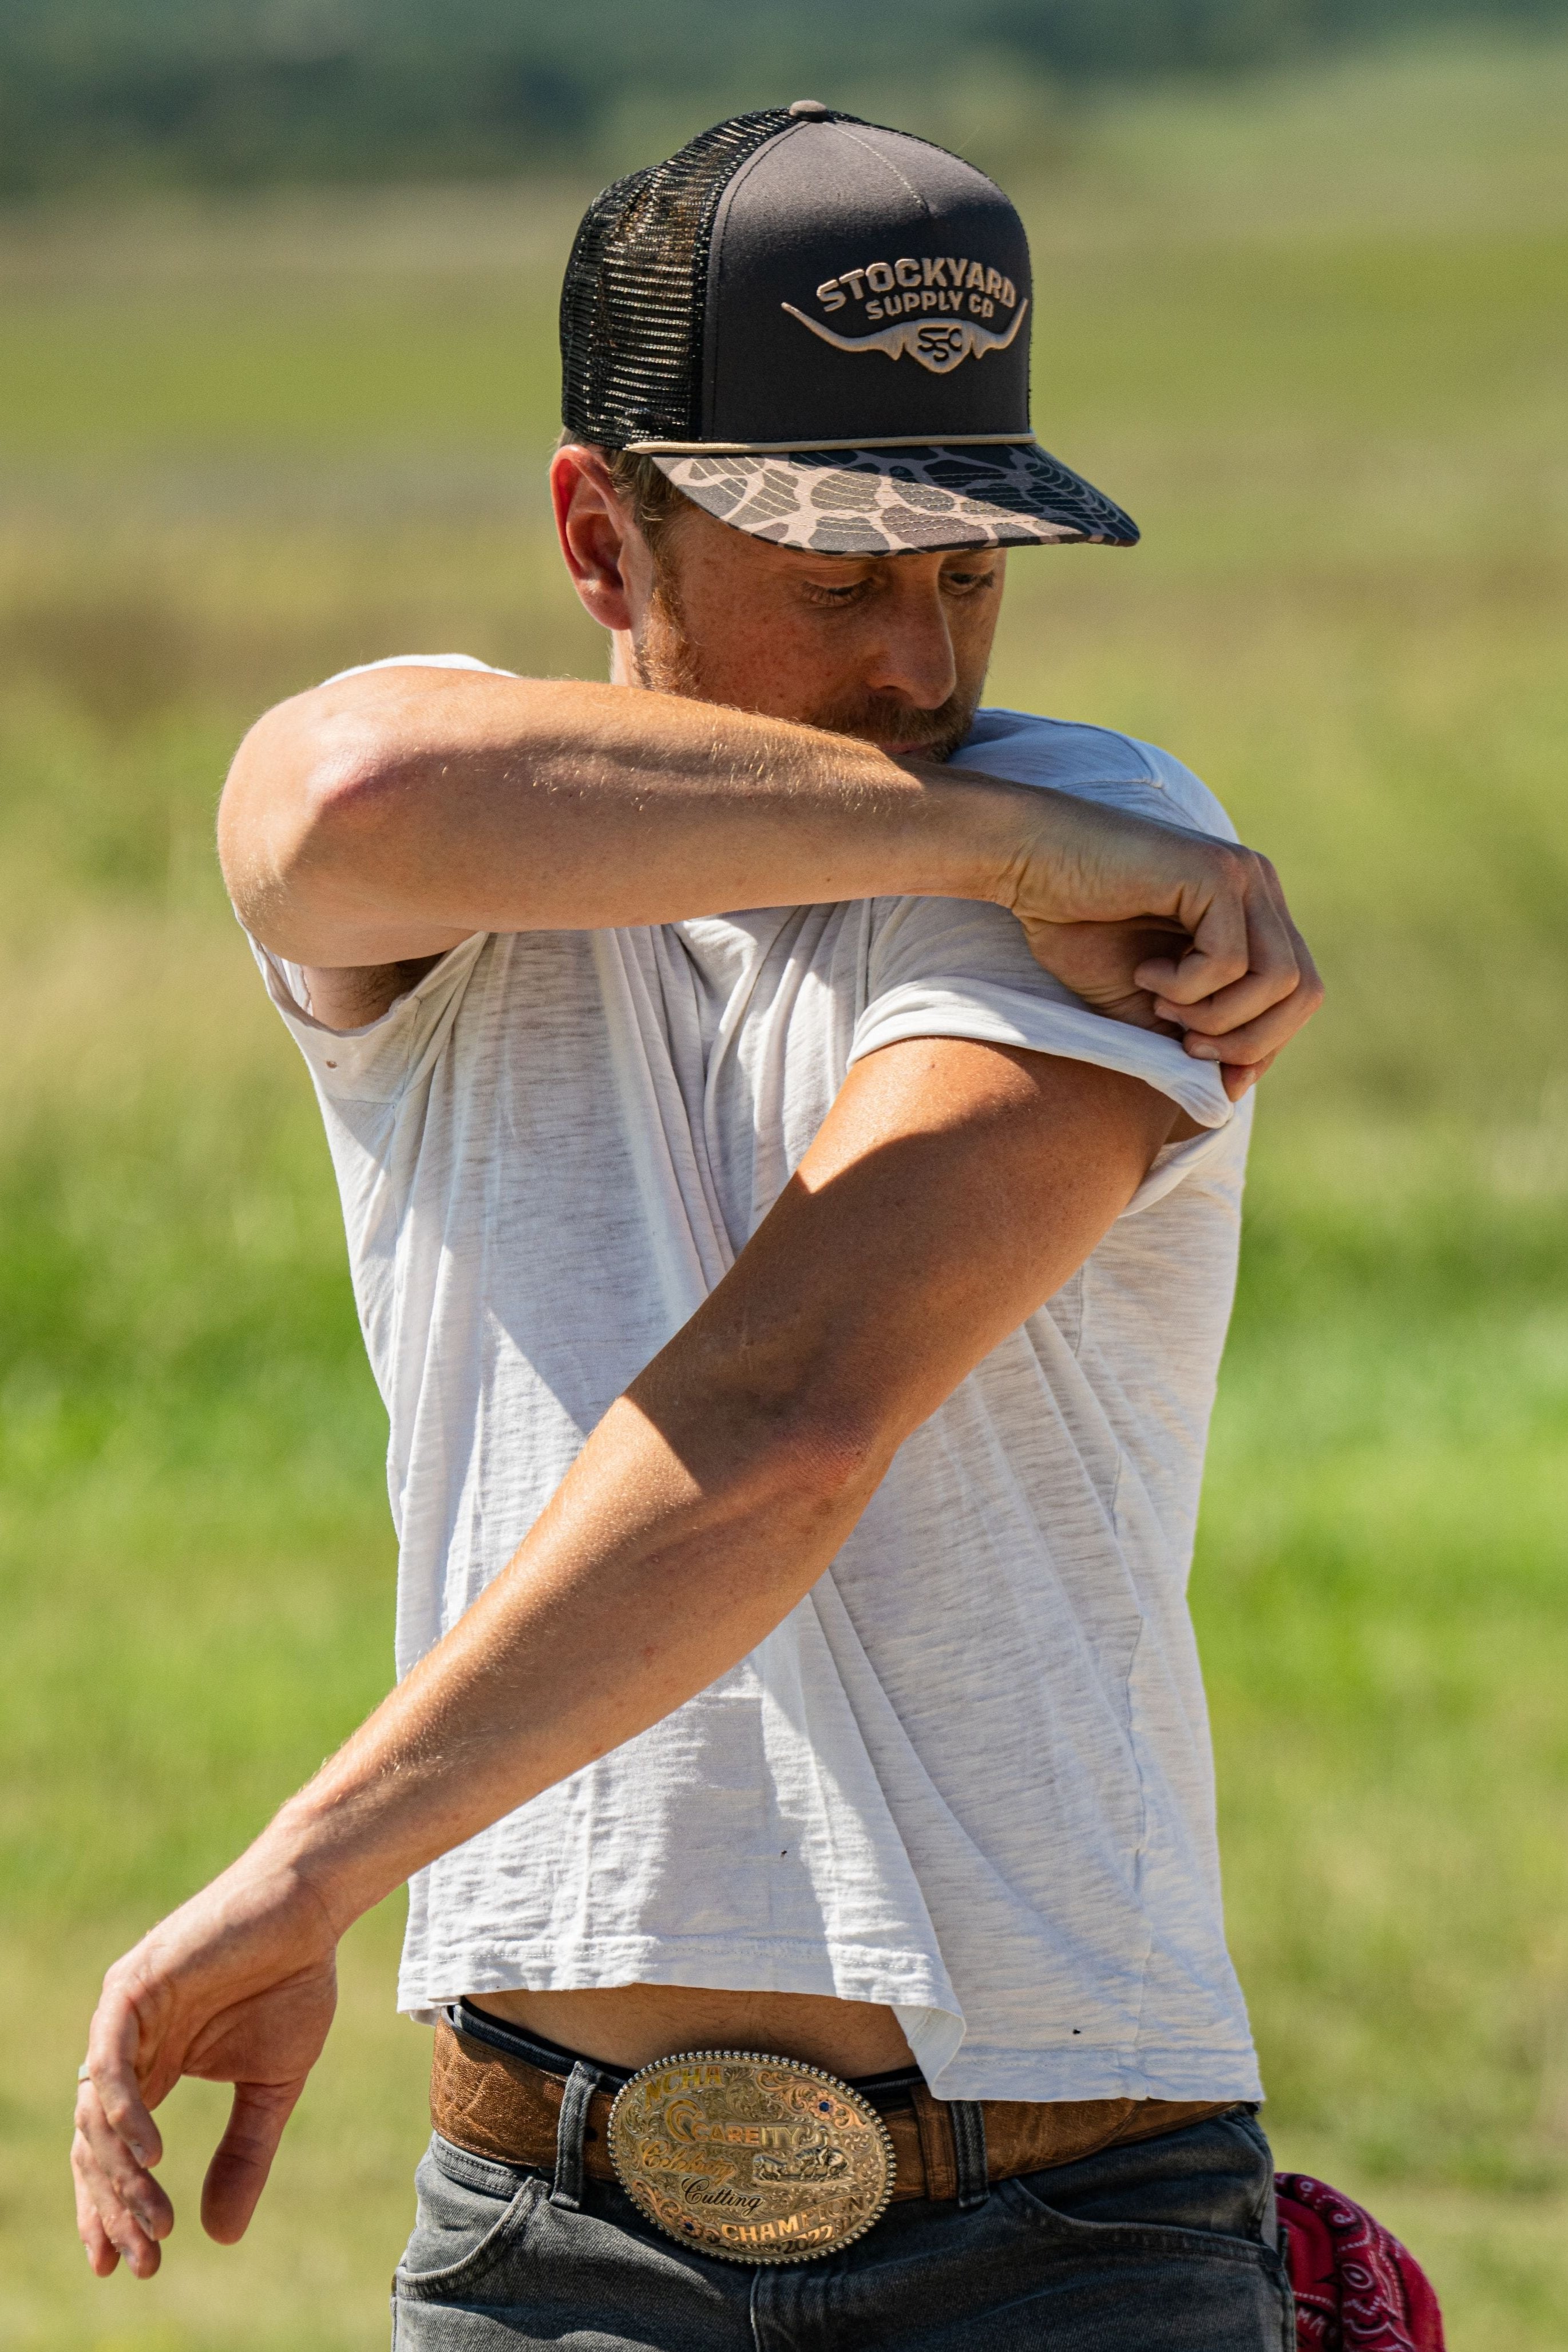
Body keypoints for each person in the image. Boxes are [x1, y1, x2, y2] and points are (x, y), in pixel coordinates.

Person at [72, 105, 1321, 2348]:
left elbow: (785, 1418)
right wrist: (985, 836)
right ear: (594, 527)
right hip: (540, 2220)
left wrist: (304, 1871)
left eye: (972, 566)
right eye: (844, 572)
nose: (926, 661)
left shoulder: (1110, 845)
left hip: (1057, 2224)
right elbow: (338, 802)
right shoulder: (1005, 845)